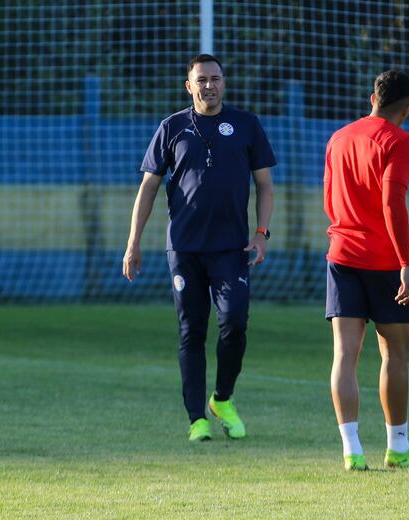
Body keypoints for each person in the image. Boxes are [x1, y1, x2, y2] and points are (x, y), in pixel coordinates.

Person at [122, 54, 276, 442]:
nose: (210, 85)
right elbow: (149, 188)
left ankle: (222, 398)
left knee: (234, 322)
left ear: (224, 83)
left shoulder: (246, 125)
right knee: (191, 331)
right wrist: (133, 243)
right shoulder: (172, 127)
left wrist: (261, 232)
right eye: (202, 79)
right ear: (189, 86)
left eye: (216, 78)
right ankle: (197, 419)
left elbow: (265, 185)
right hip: (185, 250)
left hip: (231, 248)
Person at [323, 70, 409, 471]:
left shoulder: (338, 138)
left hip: (341, 256)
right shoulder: (401, 141)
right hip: (384, 261)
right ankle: (398, 448)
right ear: (406, 109)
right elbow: (392, 202)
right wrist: (406, 263)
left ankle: (352, 451)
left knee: (345, 355)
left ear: (371, 98)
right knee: (395, 354)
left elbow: (329, 197)